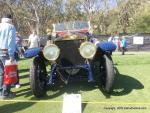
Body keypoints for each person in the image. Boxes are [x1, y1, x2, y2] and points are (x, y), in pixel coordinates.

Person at [0, 14, 16, 99]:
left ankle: (1, 91)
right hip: (6, 52)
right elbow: (10, 41)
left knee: (1, 73)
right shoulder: (11, 27)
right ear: (10, 19)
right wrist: (11, 54)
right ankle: (5, 93)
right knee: (8, 73)